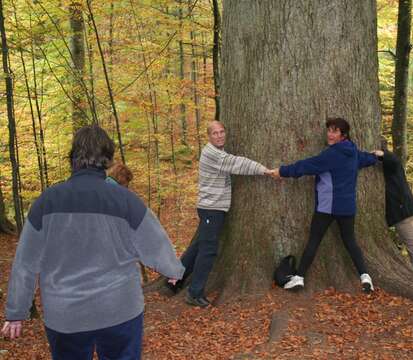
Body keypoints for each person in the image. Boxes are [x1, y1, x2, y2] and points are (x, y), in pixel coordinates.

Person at [2, 125, 184, 360]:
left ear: (73, 158)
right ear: (107, 159)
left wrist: (16, 311)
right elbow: (154, 240)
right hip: (119, 310)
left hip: (66, 315)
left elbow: (25, 262)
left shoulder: (47, 202)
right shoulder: (125, 200)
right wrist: (172, 269)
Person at [168, 121, 270, 307]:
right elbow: (237, 163)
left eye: (222, 132)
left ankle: (175, 279)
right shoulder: (212, 153)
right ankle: (194, 293)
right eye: (215, 133)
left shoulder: (217, 152)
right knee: (208, 250)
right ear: (209, 136)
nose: (219, 135)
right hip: (211, 209)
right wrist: (264, 170)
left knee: (199, 245)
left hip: (212, 208)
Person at [269, 118, 377, 292]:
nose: (330, 134)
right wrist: (377, 156)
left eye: (335, 131)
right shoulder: (354, 152)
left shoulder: (331, 154)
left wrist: (282, 171)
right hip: (347, 208)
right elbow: (366, 159)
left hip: (328, 207)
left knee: (314, 241)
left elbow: (306, 165)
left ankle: (299, 278)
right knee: (350, 242)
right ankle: (365, 277)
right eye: (329, 130)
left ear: (344, 135)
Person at [372, 139, 413, 278]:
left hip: (402, 211)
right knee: (412, 245)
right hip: (399, 210)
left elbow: (395, 161)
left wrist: (383, 154)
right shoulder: (384, 166)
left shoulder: (390, 163)